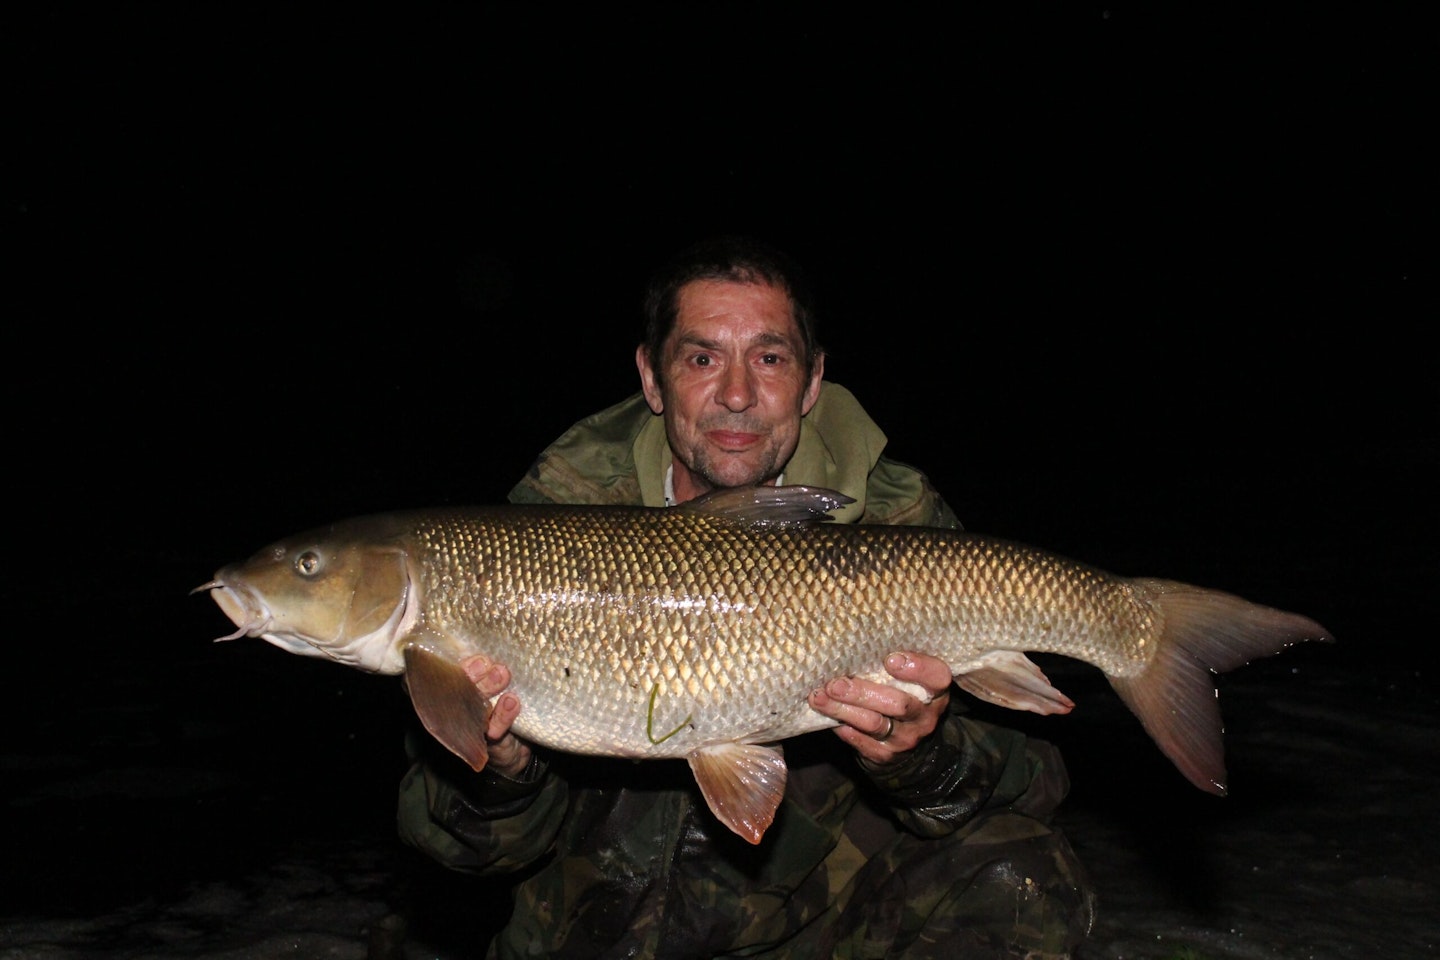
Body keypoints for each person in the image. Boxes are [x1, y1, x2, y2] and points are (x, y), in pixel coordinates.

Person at [396, 236, 1096, 958]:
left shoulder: (898, 523)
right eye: (702, 358)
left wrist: (918, 757)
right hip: (591, 923)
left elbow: (1032, 784)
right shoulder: (534, 530)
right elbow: (460, 851)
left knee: (1021, 874)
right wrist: (505, 774)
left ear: (813, 379)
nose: (736, 394)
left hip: (816, 926)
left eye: (769, 358)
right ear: (652, 376)